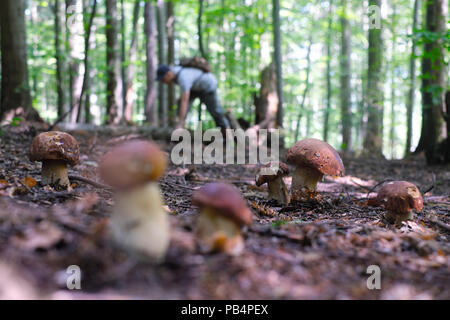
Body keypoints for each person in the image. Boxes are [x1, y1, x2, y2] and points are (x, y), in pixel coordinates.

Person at [156, 64, 230, 131]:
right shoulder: (176, 74)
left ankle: (227, 133)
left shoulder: (183, 77)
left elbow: (184, 101)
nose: (163, 81)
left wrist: (180, 123)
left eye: (163, 79)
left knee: (215, 111)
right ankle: (181, 130)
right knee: (180, 104)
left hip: (208, 87)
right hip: (195, 88)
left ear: (168, 74)